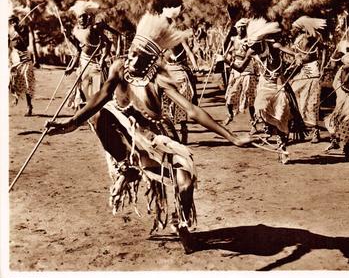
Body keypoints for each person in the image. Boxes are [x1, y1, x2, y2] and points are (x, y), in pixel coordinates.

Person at [46, 13, 254, 253]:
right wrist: (68, 124)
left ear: (152, 59)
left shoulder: (159, 78)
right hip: (129, 136)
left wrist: (232, 137)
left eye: (140, 56)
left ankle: (182, 223)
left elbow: (193, 111)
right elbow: (98, 99)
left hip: (160, 136)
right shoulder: (118, 68)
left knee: (185, 184)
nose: (132, 59)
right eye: (132, 52)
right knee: (102, 115)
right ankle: (127, 165)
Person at [221, 18, 306, 164]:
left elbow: (294, 54)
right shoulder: (253, 50)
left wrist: (298, 57)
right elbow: (241, 68)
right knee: (260, 107)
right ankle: (270, 128)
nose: (252, 45)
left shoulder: (274, 45)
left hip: (279, 85)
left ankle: (282, 148)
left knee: (282, 117)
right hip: (265, 85)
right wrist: (226, 61)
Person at [160, 6, 199, 144]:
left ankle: (184, 131)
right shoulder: (161, 38)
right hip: (167, 74)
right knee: (165, 105)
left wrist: (194, 65)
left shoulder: (178, 36)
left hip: (180, 72)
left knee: (182, 104)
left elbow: (188, 51)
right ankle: (170, 135)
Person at [64, 0, 112, 111]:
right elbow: (77, 51)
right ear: (77, 19)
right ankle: (82, 112)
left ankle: (93, 111)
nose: (82, 19)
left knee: (94, 89)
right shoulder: (76, 31)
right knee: (82, 87)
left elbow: (108, 43)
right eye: (80, 17)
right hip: (83, 61)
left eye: (84, 17)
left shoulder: (94, 29)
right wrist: (71, 67)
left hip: (95, 62)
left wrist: (103, 59)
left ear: (88, 18)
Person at [289, 16, 327, 144]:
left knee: (312, 103)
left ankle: (315, 132)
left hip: (311, 73)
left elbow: (321, 50)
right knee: (295, 98)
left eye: (294, 27)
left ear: (299, 28)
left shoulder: (309, 38)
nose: (291, 29)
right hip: (300, 73)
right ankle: (299, 127)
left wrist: (322, 66)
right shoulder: (297, 39)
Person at [222, 18, 258, 128]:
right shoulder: (233, 39)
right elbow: (226, 52)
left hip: (247, 69)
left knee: (250, 98)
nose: (241, 29)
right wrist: (224, 58)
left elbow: (252, 53)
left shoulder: (250, 40)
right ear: (236, 29)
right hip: (235, 69)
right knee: (230, 95)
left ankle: (254, 124)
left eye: (243, 27)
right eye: (239, 27)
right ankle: (230, 114)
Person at [8, 11, 36, 117]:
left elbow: (26, 44)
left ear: (17, 21)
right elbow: (9, 45)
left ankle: (29, 106)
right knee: (12, 79)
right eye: (11, 22)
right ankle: (15, 98)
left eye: (14, 21)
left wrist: (18, 32)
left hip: (25, 57)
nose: (12, 23)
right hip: (15, 57)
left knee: (27, 81)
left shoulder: (24, 29)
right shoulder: (9, 31)